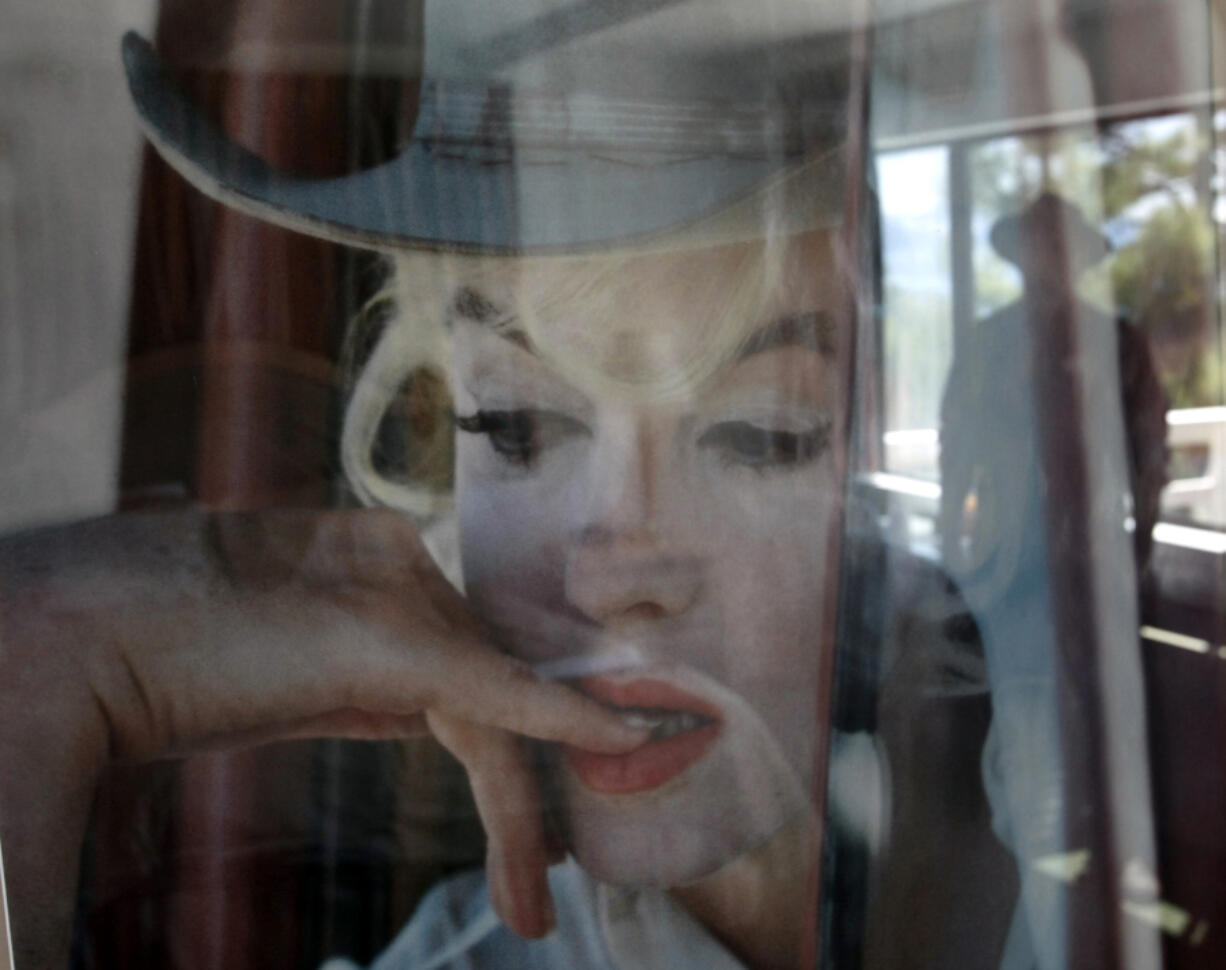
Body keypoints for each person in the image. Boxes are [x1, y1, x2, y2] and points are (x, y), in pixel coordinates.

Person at [0, 4, 901, 970]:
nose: (613, 579)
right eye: (515, 426)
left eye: (762, 437)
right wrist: (48, 651)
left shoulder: (1068, 808)